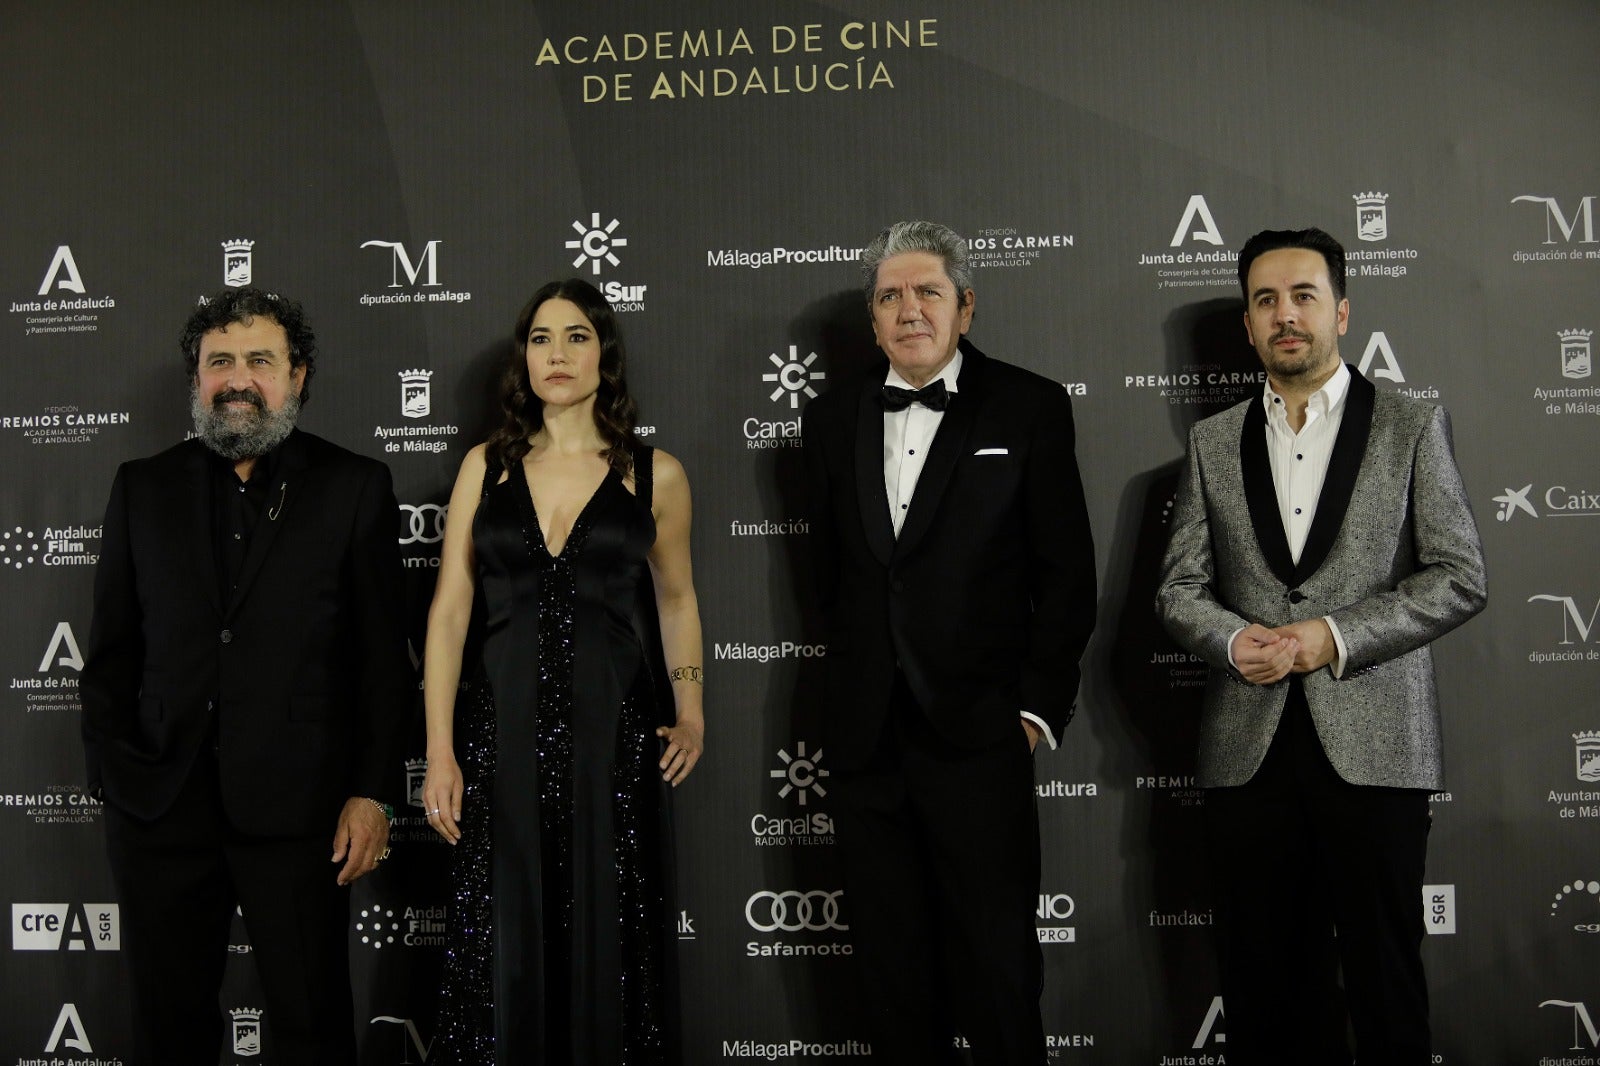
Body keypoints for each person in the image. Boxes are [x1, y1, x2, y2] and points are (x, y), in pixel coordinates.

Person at [1156, 227, 1487, 1065]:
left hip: (1376, 751)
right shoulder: (1211, 442)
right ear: (1248, 324)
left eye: (1303, 295)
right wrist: (1236, 644)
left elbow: (1458, 575)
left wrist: (1331, 636)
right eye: (1265, 300)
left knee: (1383, 982)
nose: (1285, 314)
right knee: (1261, 987)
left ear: (1341, 310)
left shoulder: (1412, 424)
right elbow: (1178, 589)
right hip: (1247, 750)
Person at [81, 287, 410, 1065]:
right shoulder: (142, 487)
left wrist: (372, 794)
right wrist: (115, 779)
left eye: (259, 361)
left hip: (303, 814)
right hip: (161, 808)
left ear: (297, 375)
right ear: (195, 380)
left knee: (311, 1022)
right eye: (217, 361)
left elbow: (380, 662)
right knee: (168, 1027)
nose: (237, 378)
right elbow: (111, 654)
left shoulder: (355, 486)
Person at [802, 220, 1097, 1064]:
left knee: (1000, 977)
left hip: (981, 738)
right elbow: (831, 582)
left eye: (927, 291)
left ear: (965, 307)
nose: (909, 310)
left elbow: (1066, 575)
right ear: (872, 322)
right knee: (893, 986)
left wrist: (1036, 710)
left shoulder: (1030, 405)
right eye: (890, 297)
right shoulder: (829, 421)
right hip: (865, 744)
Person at [421, 277, 704, 1065]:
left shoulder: (657, 475)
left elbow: (676, 600)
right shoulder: (486, 467)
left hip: (611, 743)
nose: (557, 354)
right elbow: (449, 614)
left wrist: (692, 712)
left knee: (611, 935)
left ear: (603, 354)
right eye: (542, 338)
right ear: (524, 358)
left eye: (576, 336)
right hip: (498, 740)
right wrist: (440, 751)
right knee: (499, 938)